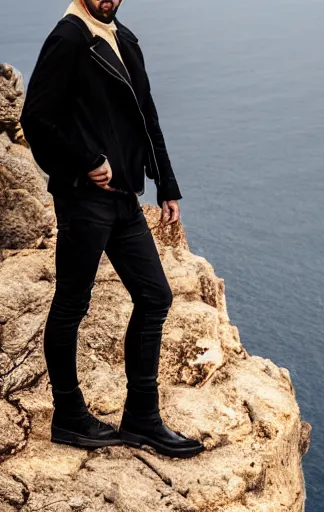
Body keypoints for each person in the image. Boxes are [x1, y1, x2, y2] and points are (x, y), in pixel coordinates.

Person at [19, 0, 205, 458]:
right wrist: (86, 162)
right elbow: (35, 118)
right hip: (84, 200)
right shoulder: (69, 38)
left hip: (124, 198)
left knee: (155, 296)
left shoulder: (121, 35)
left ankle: (142, 418)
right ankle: (69, 417)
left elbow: (147, 116)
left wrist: (167, 185)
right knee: (71, 304)